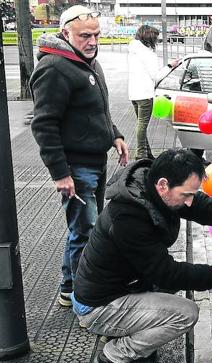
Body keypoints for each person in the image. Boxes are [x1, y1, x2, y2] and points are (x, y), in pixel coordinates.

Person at [72, 149, 212, 363]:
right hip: (97, 306)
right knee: (185, 314)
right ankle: (114, 356)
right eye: (186, 194)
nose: (190, 201)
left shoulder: (156, 188)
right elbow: (167, 274)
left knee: (170, 291)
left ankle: (125, 327)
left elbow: (205, 207)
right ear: (163, 185)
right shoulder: (128, 218)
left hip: (122, 286)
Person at [30, 5, 129, 307]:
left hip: (95, 162)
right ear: (65, 33)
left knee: (83, 230)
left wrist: (114, 134)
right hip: (77, 168)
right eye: (85, 35)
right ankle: (84, 302)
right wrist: (60, 173)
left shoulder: (86, 62)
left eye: (97, 34)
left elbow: (95, 109)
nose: (93, 41)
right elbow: (44, 125)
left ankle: (69, 287)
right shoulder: (54, 68)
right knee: (86, 233)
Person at [128, 25, 160, 160]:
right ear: (150, 38)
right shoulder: (148, 54)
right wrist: (170, 66)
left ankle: (147, 153)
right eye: (156, 38)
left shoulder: (133, 50)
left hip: (134, 93)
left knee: (141, 124)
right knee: (142, 124)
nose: (157, 41)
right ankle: (141, 154)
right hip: (145, 93)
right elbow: (156, 76)